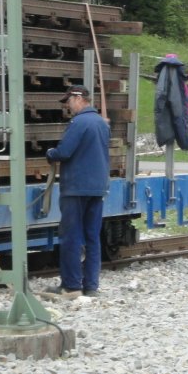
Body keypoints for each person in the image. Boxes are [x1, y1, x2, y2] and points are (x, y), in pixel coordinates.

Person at [45, 85, 110, 298]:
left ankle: (71, 286)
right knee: (92, 237)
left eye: (69, 101)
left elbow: (64, 152)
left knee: (71, 236)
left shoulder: (79, 122)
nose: (68, 106)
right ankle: (91, 286)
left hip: (76, 188)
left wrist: (50, 153)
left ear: (78, 98)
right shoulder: (102, 123)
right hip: (98, 188)